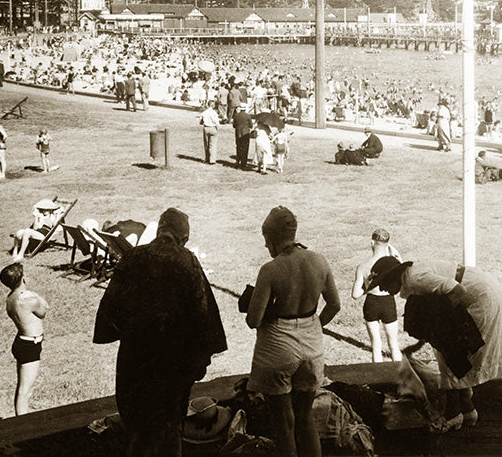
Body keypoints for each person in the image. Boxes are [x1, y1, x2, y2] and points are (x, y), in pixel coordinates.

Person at [94, 207, 227, 457]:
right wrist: (200, 360)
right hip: (172, 365)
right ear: (184, 237)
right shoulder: (187, 260)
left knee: (137, 431)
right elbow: (202, 314)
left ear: (159, 230)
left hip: (134, 361)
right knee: (170, 431)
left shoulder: (132, 258)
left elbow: (110, 312)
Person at [366, 257, 502, 432]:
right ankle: (468, 409)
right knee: (451, 352)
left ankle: (454, 414)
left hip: (481, 298)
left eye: (383, 282)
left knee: (451, 354)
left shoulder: (416, 279)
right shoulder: (412, 277)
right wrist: (422, 343)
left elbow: (457, 291)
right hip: (484, 291)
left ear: (395, 276)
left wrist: (448, 330)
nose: (382, 288)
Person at [245, 206, 341, 457]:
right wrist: (314, 325)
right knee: (305, 416)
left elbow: (253, 320)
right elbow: (335, 305)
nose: (266, 247)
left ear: (273, 238)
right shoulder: (319, 260)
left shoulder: (270, 269)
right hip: (311, 344)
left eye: (266, 241)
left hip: (278, 346)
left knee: (284, 423)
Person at [0, 262, 48, 416]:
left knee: (23, 386)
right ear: (22, 279)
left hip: (22, 341)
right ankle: (21, 424)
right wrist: (33, 293)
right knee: (25, 390)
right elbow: (44, 310)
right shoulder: (28, 299)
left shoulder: (10, 298)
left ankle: (21, 416)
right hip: (30, 344)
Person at [351, 228, 403, 363]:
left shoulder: (362, 266)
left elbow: (355, 294)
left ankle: (377, 381)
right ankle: (399, 378)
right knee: (393, 344)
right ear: (388, 244)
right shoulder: (393, 264)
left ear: (371, 242)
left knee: (376, 344)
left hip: (371, 304)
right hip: (388, 303)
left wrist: (368, 287)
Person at [232, 103, 254, 169]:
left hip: (238, 133)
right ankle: (243, 163)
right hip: (245, 133)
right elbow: (251, 125)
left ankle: (238, 161)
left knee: (238, 147)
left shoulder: (236, 115)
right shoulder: (248, 116)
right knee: (245, 148)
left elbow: (234, 125)